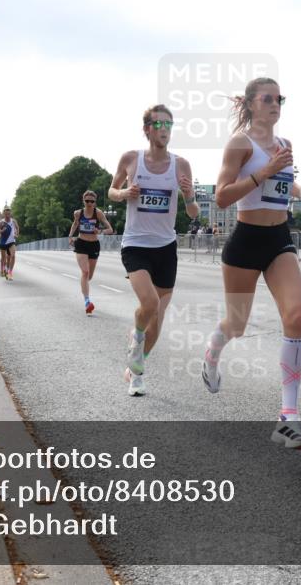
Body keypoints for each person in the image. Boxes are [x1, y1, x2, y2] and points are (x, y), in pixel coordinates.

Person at [201, 77, 301, 449]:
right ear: (252, 104)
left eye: (280, 98)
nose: (276, 104)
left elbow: (285, 186)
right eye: (268, 98)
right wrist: (264, 172)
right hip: (244, 242)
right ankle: (212, 353)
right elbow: (222, 197)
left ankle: (288, 417)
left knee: (296, 316)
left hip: (278, 240)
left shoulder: (285, 145)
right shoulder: (240, 144)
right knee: (236, 325)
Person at [109, 104, 199, 396]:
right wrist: (124, 193)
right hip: (135, 243)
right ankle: (136, 338)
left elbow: (194, 212)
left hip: (165, 246)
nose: (165, 130)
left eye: (169, 125)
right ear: (147, 129)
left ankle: (136, 370)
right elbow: (112, 191)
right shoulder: (130, 159)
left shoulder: (181, 165)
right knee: (148, 304)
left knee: (158, 317)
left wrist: (187, 195)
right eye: (159, 124)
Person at [68, 190, 115, 314]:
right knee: (85, 272)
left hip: (94, 245)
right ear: (83, 201)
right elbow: (75, 224)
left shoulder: (98, 213)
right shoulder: (78, 213)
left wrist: (100, 231)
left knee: (89, 276)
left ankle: (84, 287)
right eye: (87, 201)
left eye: (92, 201)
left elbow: (110, 229)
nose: (89, 203)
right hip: (81, 243)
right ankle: (87, 301)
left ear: (95, 202)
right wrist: (70, 236)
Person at [0, 208, 19, 280]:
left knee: (13, 256)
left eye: (9, 214)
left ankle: (10, 273)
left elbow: (17, 228)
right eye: (6, 214)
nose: (7, 215)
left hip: (11, 241)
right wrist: (1, 231)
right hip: (3, 242)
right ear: (3, 214)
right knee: (3, 258)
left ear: (10, 214)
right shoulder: (1, 222)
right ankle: (2, 269)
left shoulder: (13, 221)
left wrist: (16, 234)